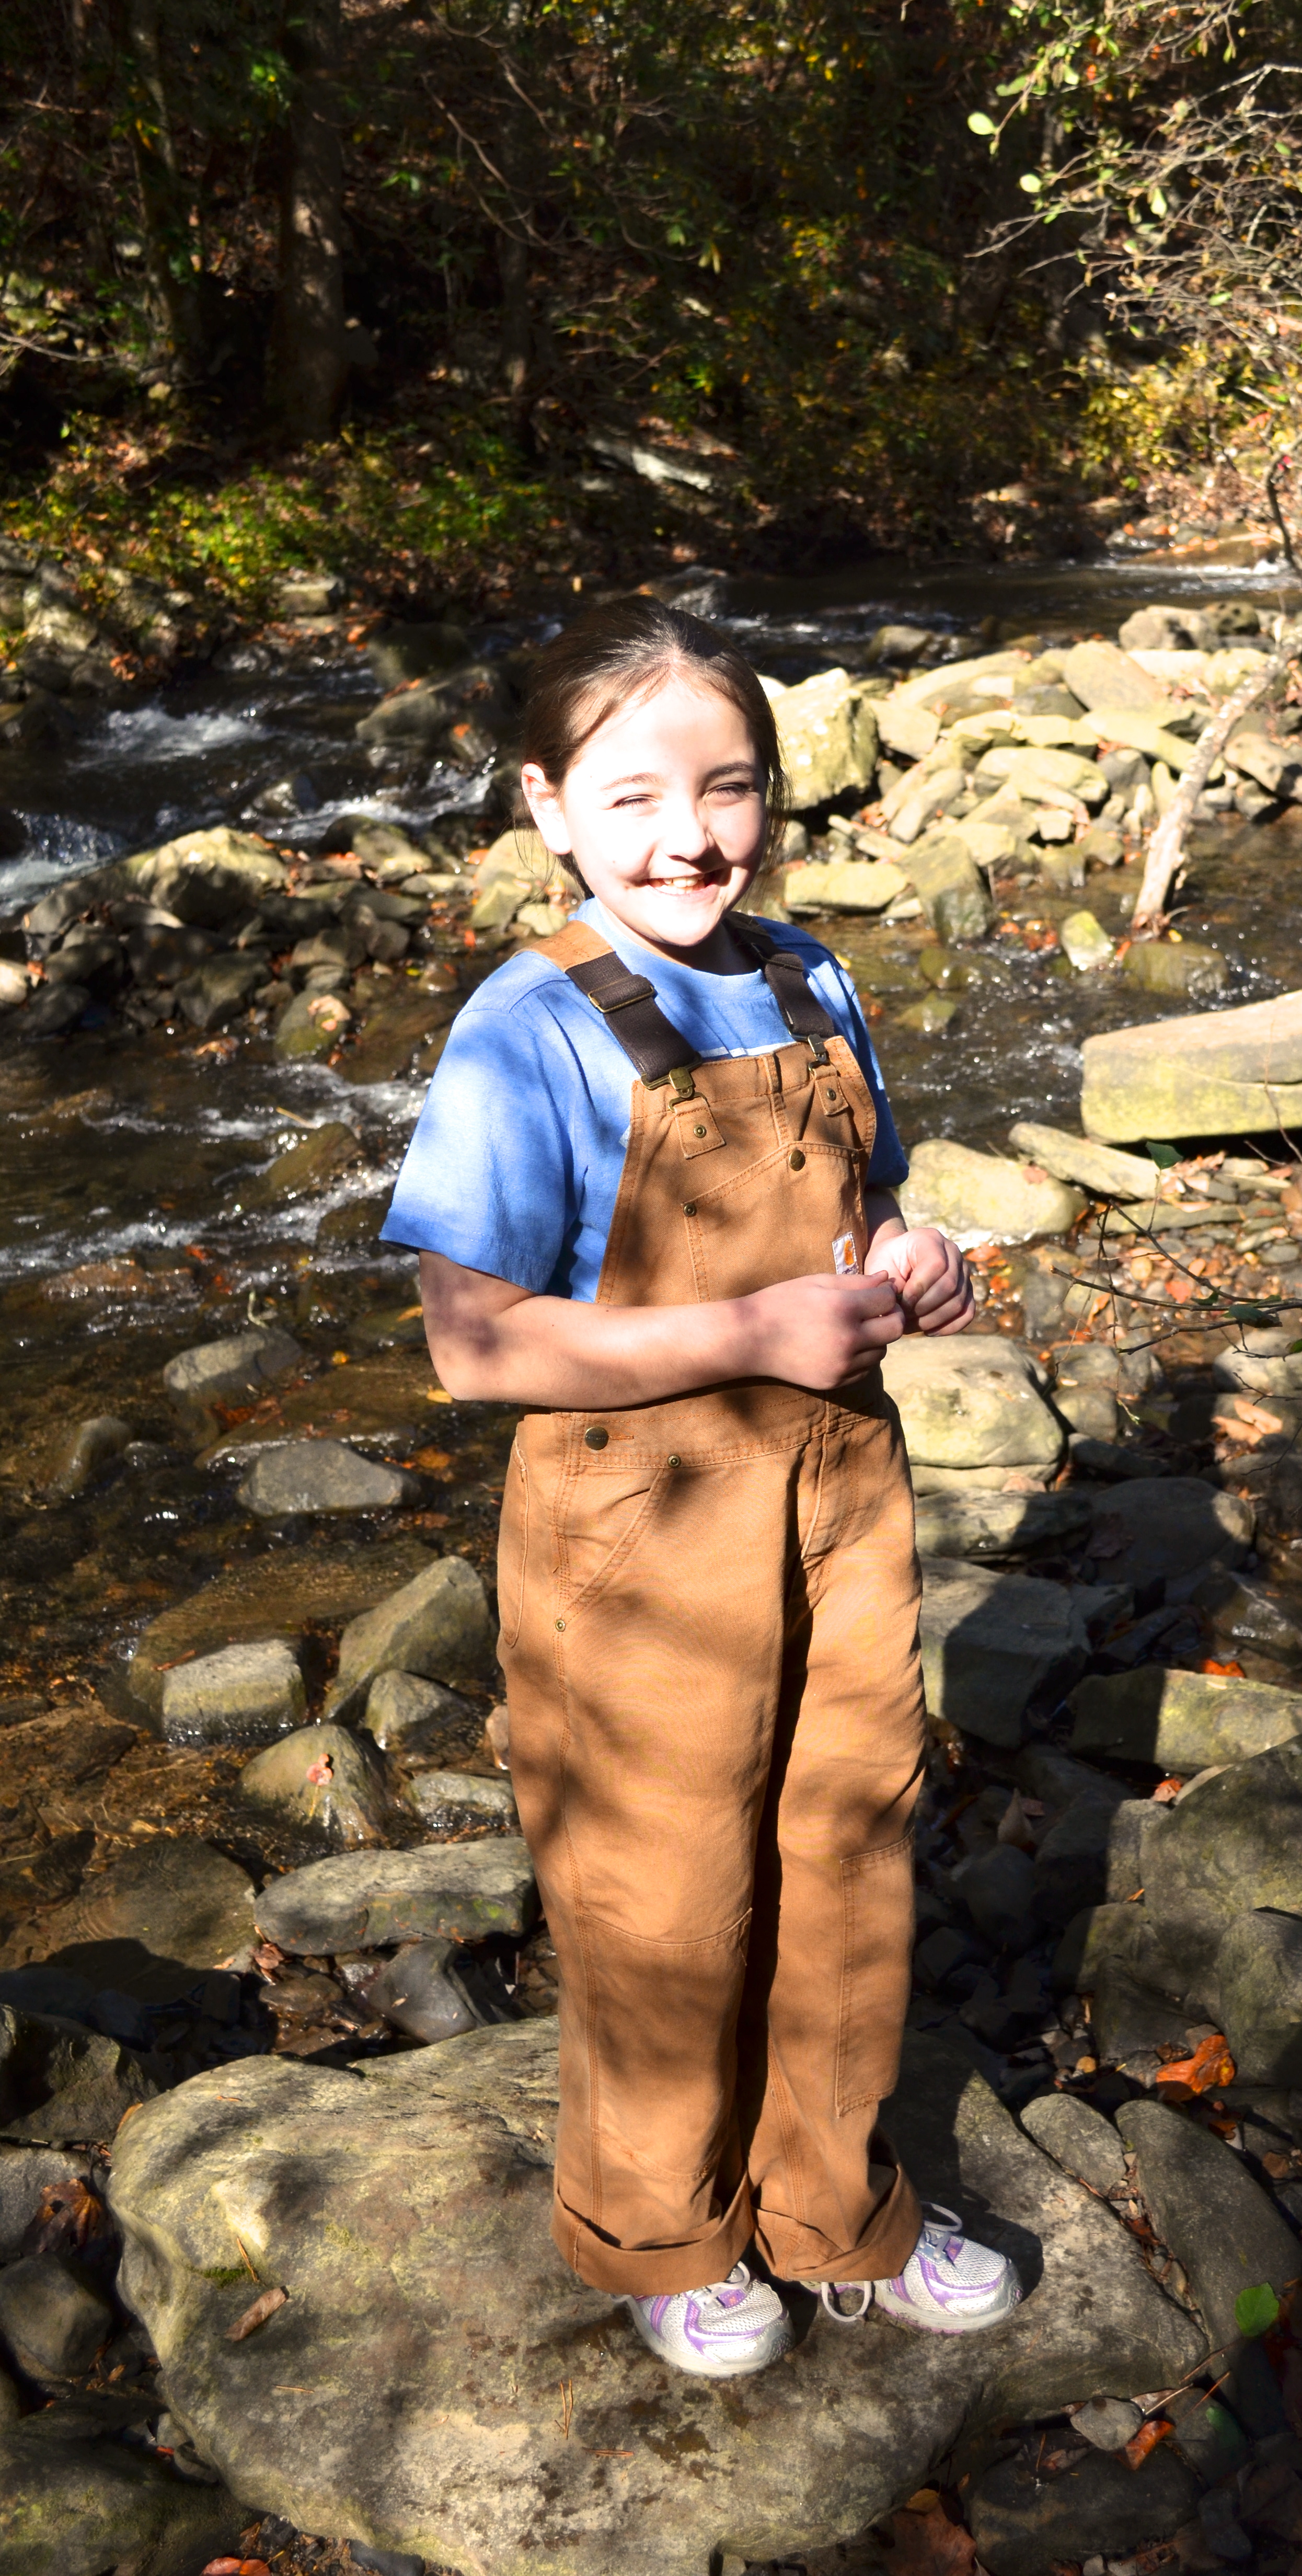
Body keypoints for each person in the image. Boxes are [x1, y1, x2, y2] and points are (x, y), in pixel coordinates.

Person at [383, 597, 1020, 2380]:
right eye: (637, 795)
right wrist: (750, 1329)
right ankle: (665, 2232)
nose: (690, 837)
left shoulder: (810, 977)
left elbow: (862, 1206)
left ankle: (835, 2209)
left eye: (729, 788)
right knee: (659, 1888)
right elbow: (475, 1347)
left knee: (847, 1847)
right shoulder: (526, 1029)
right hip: (636, 1532)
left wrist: (908, 1262)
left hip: (842, 1498)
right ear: (547, 806)